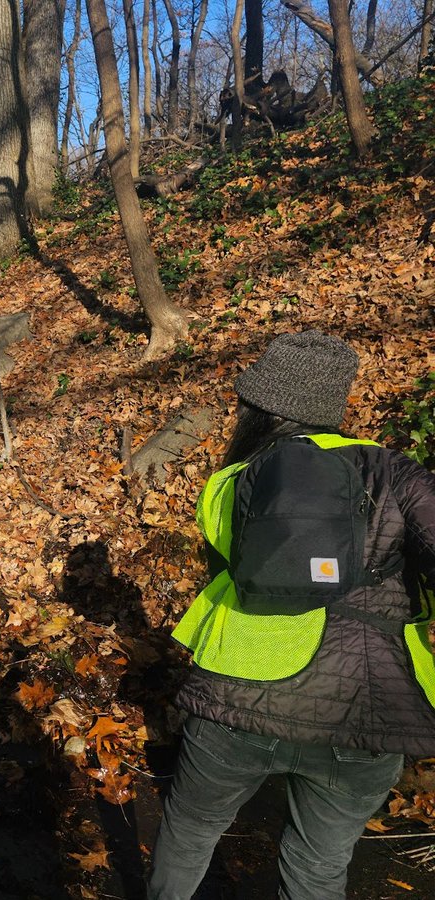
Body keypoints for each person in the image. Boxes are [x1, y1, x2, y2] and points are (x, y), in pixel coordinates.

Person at [148, 330, 435, 899]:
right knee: (317, 867)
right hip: (367, 708)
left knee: (191, 833)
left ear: (258, 411)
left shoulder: (229, 484)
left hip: (238, 696)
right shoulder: (395, 472)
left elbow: (230, 563)